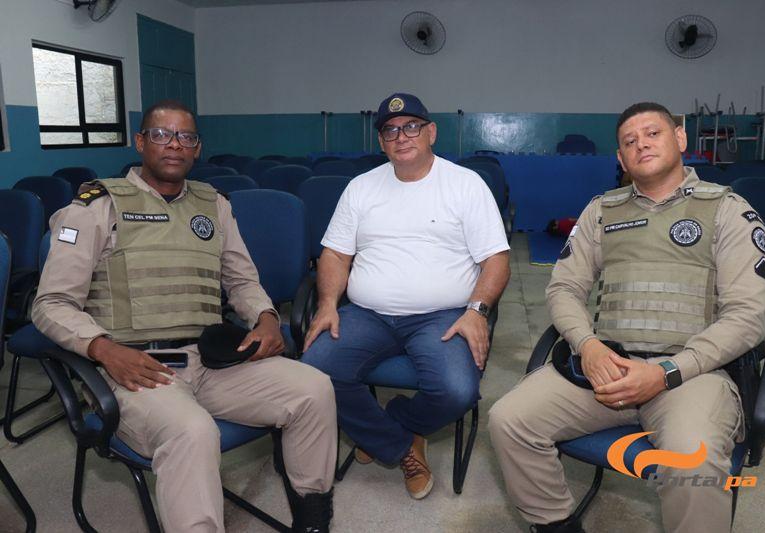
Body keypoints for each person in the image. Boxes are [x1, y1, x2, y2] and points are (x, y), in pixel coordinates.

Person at [32, 99, 336, 533]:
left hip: (211, 361)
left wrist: (266, 317)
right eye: (161, 134)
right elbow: (50, 304)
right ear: (141, 142)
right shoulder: (97, 206)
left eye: (186, 136)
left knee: (314, 389)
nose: (174, 144)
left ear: (197, 148)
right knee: (193, 431)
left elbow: (242, 280)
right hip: (136, 368)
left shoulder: (213, 205)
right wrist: (103, 349)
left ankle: (311, 516)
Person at [488, 102, 765, 533]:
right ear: (621, 159)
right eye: (629, 141)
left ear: (680, 138)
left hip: (692, 374)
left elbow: (747, 316)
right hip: (607, 368)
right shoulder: (602, 211)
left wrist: (666, 372)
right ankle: (555, 524)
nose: (642, 144)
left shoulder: (728, 211)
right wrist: (587, 345)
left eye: (653, 133)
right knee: (509, 420)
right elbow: (564, 288)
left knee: (690, 460)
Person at [301, 93, 510, 499]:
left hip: (442, 315)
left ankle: (395, 420)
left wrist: (477, 311)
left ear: (431, 132)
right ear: (381, 142)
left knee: (457, 391)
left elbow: (496, 260)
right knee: (314, 372)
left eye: (411, 126)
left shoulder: (466, 185)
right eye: (391, 130)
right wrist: (327, 304)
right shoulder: (361, 188)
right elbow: (335, 254)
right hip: (368, 314)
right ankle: (399, 444)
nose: (401, 136)